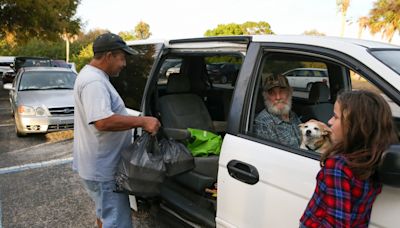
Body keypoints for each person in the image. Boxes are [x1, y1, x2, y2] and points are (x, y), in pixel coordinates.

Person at [72, 33, 161, 228]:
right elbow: (102, 121)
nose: (124, 64)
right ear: (109, 56)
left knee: (104, 214)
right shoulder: (94, 82)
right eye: (122, 58)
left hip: (98, 166)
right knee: (116, 221)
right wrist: (143, 122)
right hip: (104, 169)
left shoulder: (92, 76)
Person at [300, 90, 398, 228]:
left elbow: (336, 224)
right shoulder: (373, 158)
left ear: (355, 126)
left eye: (335, 116)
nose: (329, 121)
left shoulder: (337, 166)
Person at [253, 74, 301, 148]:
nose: (278, 97)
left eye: (282, 91)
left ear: (290, 92)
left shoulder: (293, 115)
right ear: (265, 96)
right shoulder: (263, 122)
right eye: (272, 93)